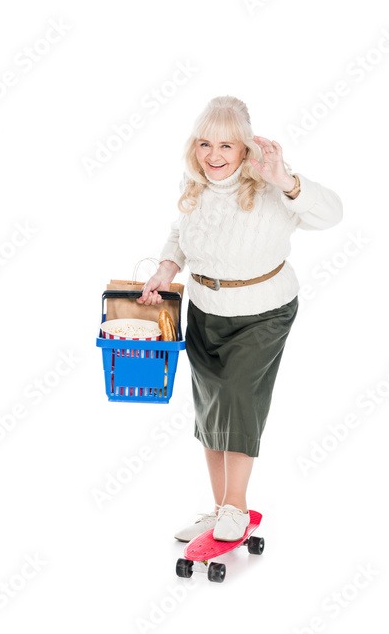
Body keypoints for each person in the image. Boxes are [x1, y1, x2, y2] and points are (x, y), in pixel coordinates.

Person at [138, 95, 343, 542]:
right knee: (210, 410)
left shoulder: (271, 184)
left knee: (237, 399)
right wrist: (165, 268)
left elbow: (332, 214)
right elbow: (179, 233)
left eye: (227, 146)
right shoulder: (194, 184)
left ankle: (237, 507)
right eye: (205, 144)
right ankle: (220, 510)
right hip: (205, 311)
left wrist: (286, 178)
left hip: (262, 313)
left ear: (246, 148)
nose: (213, 155)